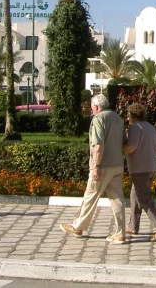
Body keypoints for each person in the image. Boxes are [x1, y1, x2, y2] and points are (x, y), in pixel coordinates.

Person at [60, 94, 127, 244]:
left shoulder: (98, 119)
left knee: (90, 196)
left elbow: (98, 145)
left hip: (102, 166)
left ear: (96, 107)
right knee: (118, 199)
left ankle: (78, 227)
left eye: (92, 108)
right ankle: (120, 233)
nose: (92, 111)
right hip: (117, 164)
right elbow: (124, 142)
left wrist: (95, 166)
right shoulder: (117, 118)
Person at [122, 102, 156, 242]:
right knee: (135, 195)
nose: (127, 117)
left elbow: (131, 147)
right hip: (152, 167)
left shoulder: (136, 127)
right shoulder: (150, 127)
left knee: (145, 199)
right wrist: (147, 151)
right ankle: (133, 226)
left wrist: (118, 147)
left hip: (140, 168)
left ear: (133, 115)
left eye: (128, 114)